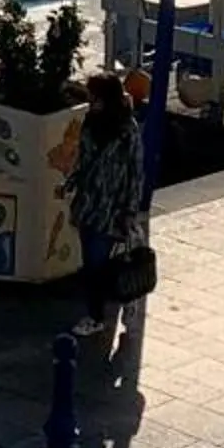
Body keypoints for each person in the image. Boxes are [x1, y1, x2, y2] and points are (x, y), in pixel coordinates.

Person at [63, 67, 146, 339]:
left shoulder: (127, 130)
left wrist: (130, 209)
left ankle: (96, 315)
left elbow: (135, 172)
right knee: (92, 260)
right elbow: (82, 157)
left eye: (94, 96)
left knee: (96, 264)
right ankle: (115, 302)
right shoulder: (90, 121)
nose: (91, 101)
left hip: (112, 207)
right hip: (88, 202)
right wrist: (71, 181)